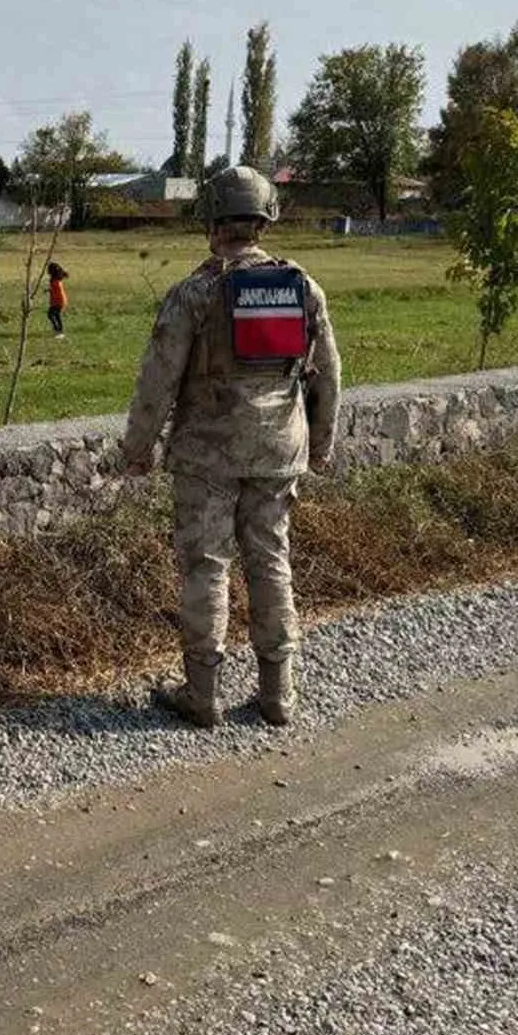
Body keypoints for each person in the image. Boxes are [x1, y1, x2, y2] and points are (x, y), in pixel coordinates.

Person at [120, 165, 342, 730]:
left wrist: (137, 449)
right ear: (266, 217)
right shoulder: (302, 286)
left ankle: (203, 695)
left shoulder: (195, 292)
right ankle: (278, 695)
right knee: (272, 560)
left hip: (206, 453)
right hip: (278, 449)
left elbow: (157, 381)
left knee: (206, 565)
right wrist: (321, 444)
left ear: (212, 219)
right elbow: (328, 375)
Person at [47, 262, 68, 336]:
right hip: (60, 300)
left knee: (51, 315)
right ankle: (59, 330)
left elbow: (56, 289)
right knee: (56, 315)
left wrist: (50, 290)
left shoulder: (55, 280)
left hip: (58, 301)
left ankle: (58, 330)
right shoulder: (57, 278)